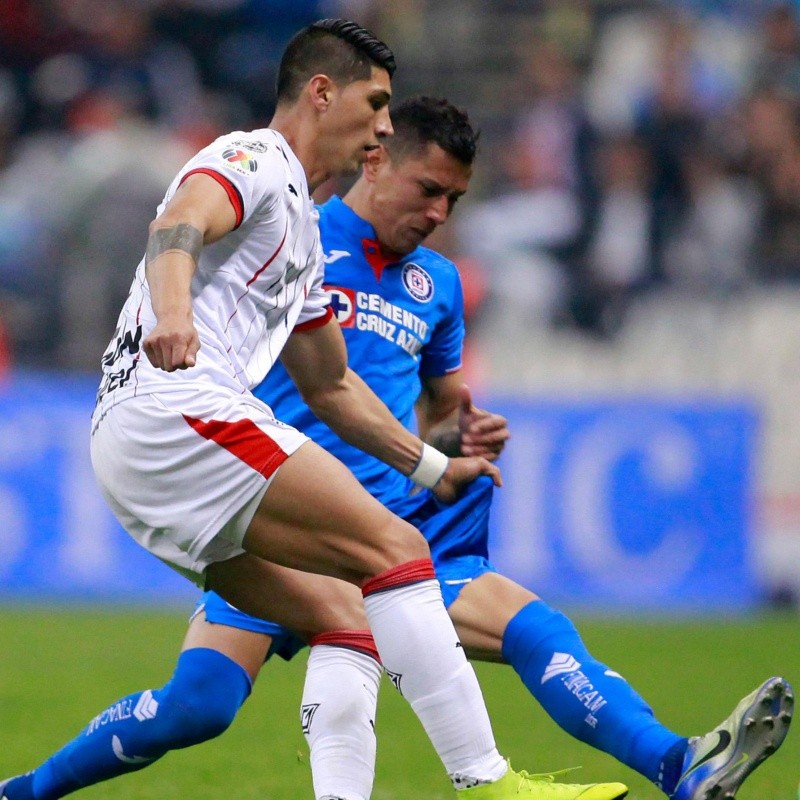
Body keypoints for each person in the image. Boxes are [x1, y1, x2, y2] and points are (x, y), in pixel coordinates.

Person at [3, 94, 791, 800]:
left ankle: (677, 764)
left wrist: (453, 440)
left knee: (533, 626)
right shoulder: (291, 236)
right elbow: (212, 270)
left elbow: (437, 412)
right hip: (276, 510)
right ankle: (30, 790)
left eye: (454, 198)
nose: (440, 212)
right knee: (196, 707)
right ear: (375, 162)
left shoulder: (439, 285)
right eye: (429, 190)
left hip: (379, 529)